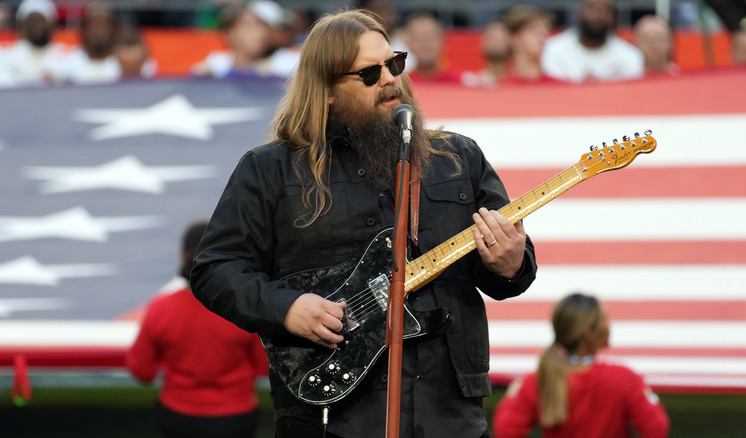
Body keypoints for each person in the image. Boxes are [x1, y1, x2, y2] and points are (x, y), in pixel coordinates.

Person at [190, 9, 537, 437]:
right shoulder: (271, 170)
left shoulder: (458, 158)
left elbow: (511, 272)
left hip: (450, 412)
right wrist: (286, 309)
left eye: (394, 64)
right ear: (328, 91)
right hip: (329, 416)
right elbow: (215, 269)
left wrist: (511, 264)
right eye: (369, 74)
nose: (391, 79)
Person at [127, 220, 268, 438]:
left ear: (183, 254)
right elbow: (262, 365)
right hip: (235, 419)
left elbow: (141, 370)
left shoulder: (160, 309)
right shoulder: (243, 307)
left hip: (178, 417)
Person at [492, 293, 669, 438]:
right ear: (590, 334)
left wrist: (511, 397)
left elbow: (506, 431)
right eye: (604, 319)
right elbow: (656, 430)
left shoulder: (538, 380)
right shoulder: (623, 378)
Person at [540, 0, 644, 83]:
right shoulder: (552, 49)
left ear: (614, 16)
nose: (598, 16)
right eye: (592, 8)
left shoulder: (630, 54)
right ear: (579, 13)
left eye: (605, 10)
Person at [0, 0, 70, 88]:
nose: (37, 26)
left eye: (41, 20)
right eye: (32, 21)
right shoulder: (8, 55)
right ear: (23, 26)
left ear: (51, 25)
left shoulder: (65, 55)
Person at [59, 2, 122, 85]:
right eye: (92, 24)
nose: (97, 30)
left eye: (103, 25)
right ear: (83, 29)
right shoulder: (66, 64)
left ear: (114, 30)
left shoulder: (125, 64)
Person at [404, 11, 460, 83]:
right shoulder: (404, 84)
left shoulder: (462, 82)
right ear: (409, 44)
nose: (426, 44)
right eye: (420, 38)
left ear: (442, 42)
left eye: (430, 37)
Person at [504, 5, 556, 83]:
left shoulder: (560, 86)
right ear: (514, 38)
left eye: (544, 30)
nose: (541, 37)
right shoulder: (500, 87)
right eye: (534, 30)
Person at [460, 19, 511, 87]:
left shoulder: (518, 81)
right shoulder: (470, 81)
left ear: (510, 43)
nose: (496, 42)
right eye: (493, 38)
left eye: (501, 39)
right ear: (482, 43)